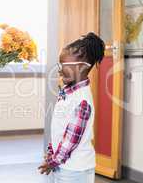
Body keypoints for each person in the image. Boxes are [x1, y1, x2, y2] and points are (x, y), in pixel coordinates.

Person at [39, 32, 105, 183]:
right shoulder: (67, 92)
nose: (60, 69)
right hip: (63, 165)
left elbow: (71, 139)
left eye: (63, 65)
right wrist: (51, 152)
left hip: (76, 170)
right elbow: (58, 128)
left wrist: (53, 161)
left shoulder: (81, 100)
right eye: (59, 65)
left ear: (81, 67)